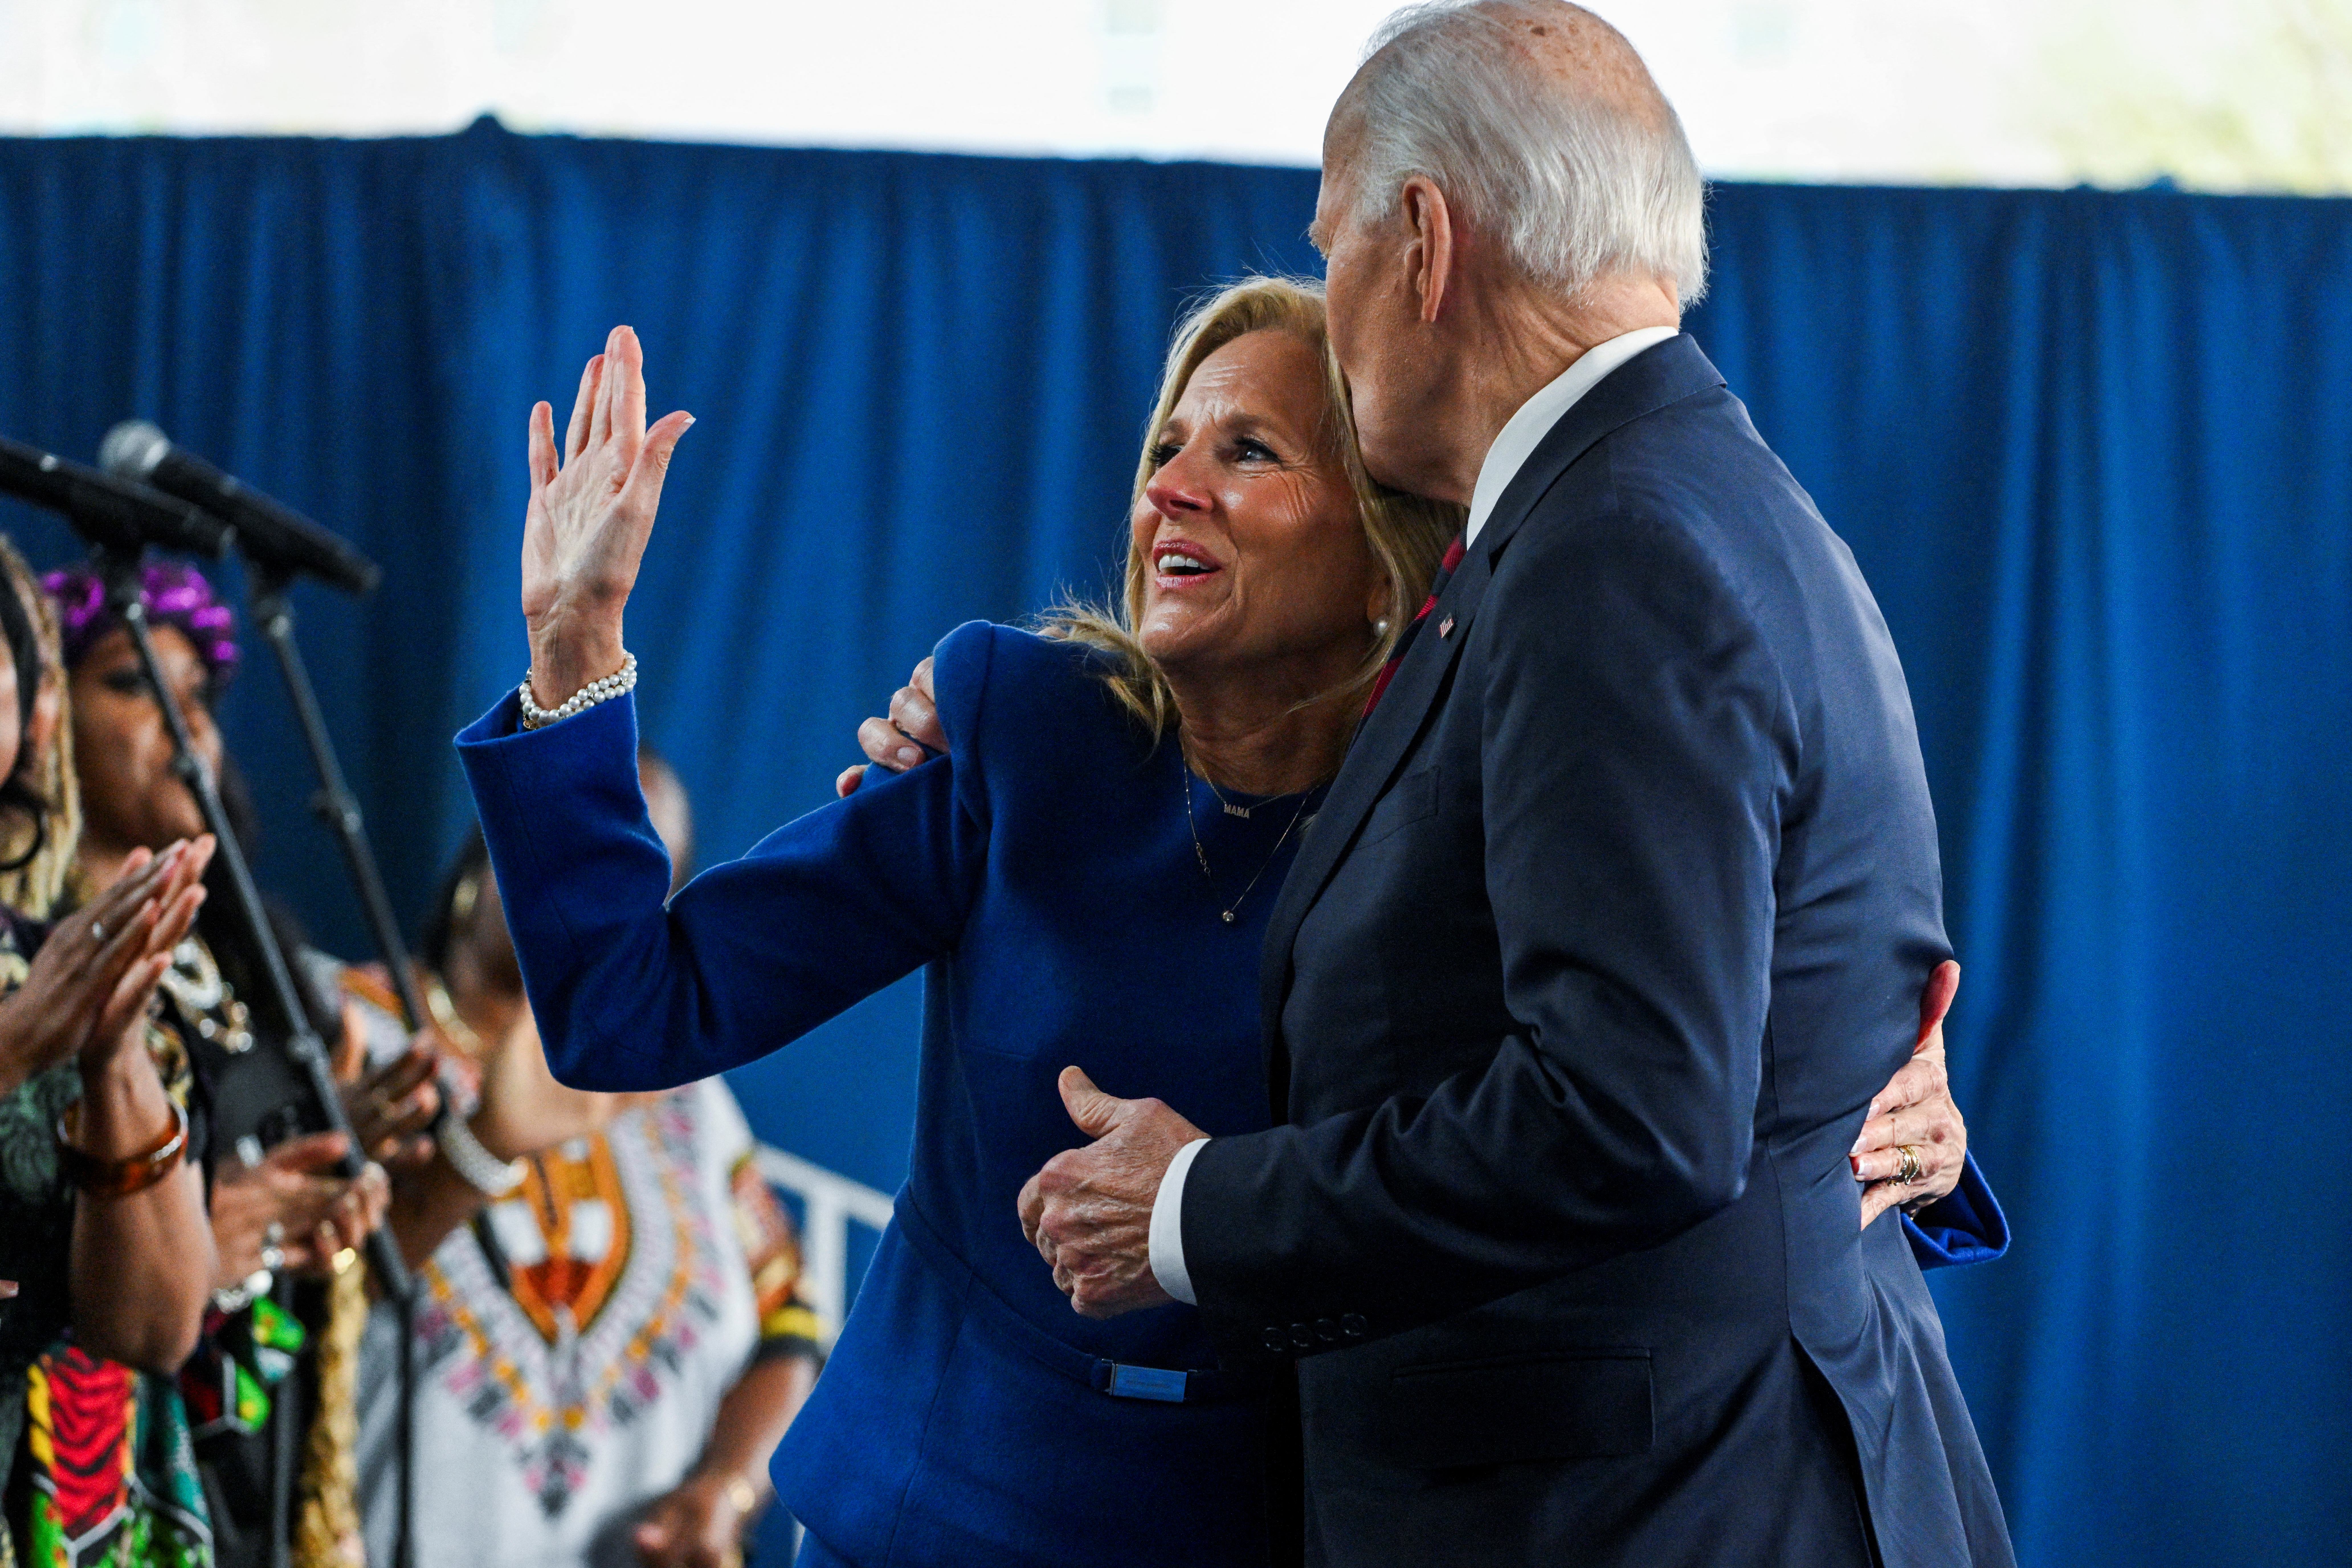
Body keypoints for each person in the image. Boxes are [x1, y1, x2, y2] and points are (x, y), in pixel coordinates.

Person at [456, 269, 1997, 1563]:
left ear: (1387, 550)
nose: (1170, 485)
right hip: (933, 1513)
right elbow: (629, 1009)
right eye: (1167, 443)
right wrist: (574, 642)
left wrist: (1906, 1122)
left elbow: (1622, 1100)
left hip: (1282, 1530)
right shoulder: (1016, 733)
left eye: (1250, 450)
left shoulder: (1485, 806)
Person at [1017, 3, 2016, 1564]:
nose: (1331, 298)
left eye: (1330, 241)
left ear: (1423, 244)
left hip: (1658, 1513)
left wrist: (1192, 1210)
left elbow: (1632, 1109)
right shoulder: (1663, 505)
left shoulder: (1614, 549)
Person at [346, 752, 822, 1568]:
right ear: (490, 845)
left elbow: (791, 1329)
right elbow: (288, 1291)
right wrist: (477, 1147)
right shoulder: (345, 1032)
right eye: (569, 840)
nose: (588, 889)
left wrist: (726, 1491)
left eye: (635, 873)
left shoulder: (686, 1098)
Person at [41, 563, 392, 1568]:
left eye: (198, 694)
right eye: (133, 681)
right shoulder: (30, 957)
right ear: (39, 715)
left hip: (256, 1457)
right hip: (97, 1464)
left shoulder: (257, 955)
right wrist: (183, 1243)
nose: (183, 720)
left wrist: (346, 1152)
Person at [0, 543, 221, 1568]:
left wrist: (114, 1058)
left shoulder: (39, 958)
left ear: (29, 721)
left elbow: (155, 1330)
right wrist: (10, 1056)